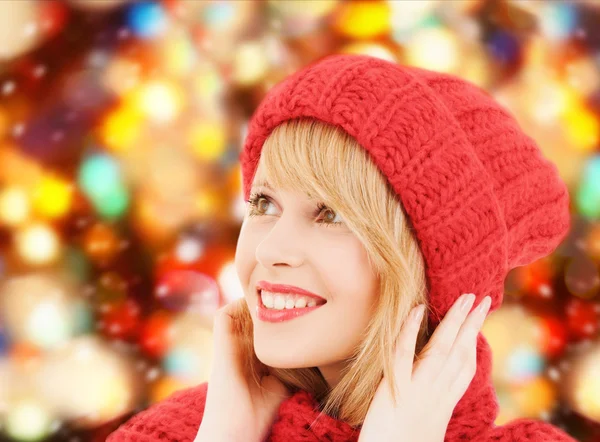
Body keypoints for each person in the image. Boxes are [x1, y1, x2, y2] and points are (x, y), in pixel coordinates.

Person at [107, 53, 576, 442]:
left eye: (330, 214)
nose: (271, 250)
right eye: (264, 203)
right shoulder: (174, 433)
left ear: (430, 268)